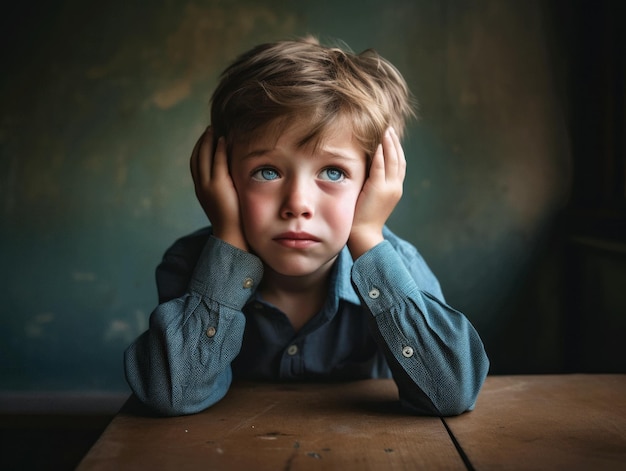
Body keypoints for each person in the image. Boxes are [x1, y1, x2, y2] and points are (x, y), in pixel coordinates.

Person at [124, 37, 489, 417]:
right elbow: (171, 393)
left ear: (374, 185)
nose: (297, 203)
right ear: (224, 179)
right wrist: (229, 238)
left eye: (333, 172)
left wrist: (365, 235)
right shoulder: (190, 263)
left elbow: (451, 393)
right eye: (267, 171)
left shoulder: (398, 269)